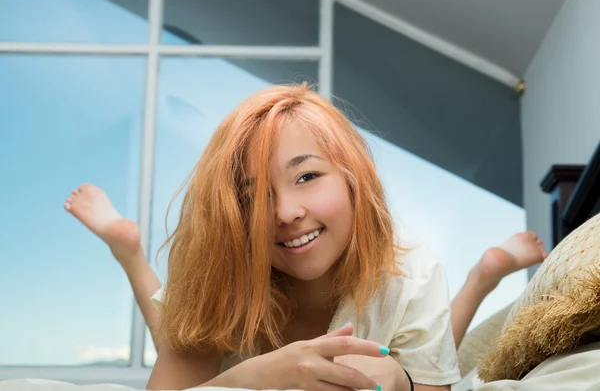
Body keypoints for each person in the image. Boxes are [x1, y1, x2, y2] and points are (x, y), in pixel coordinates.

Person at [64, 84, 546, 391]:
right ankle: (130, 254)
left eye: (307, 177)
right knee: (180, 330)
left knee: (425, 348)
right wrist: (249, 379)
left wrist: (403, 385)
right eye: (253, 198)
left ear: (354, 180)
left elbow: (431, 382)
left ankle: (482, 278)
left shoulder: (411, 270)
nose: (287, 213)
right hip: (220, 300)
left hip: (398, 302)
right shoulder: (217, 263)